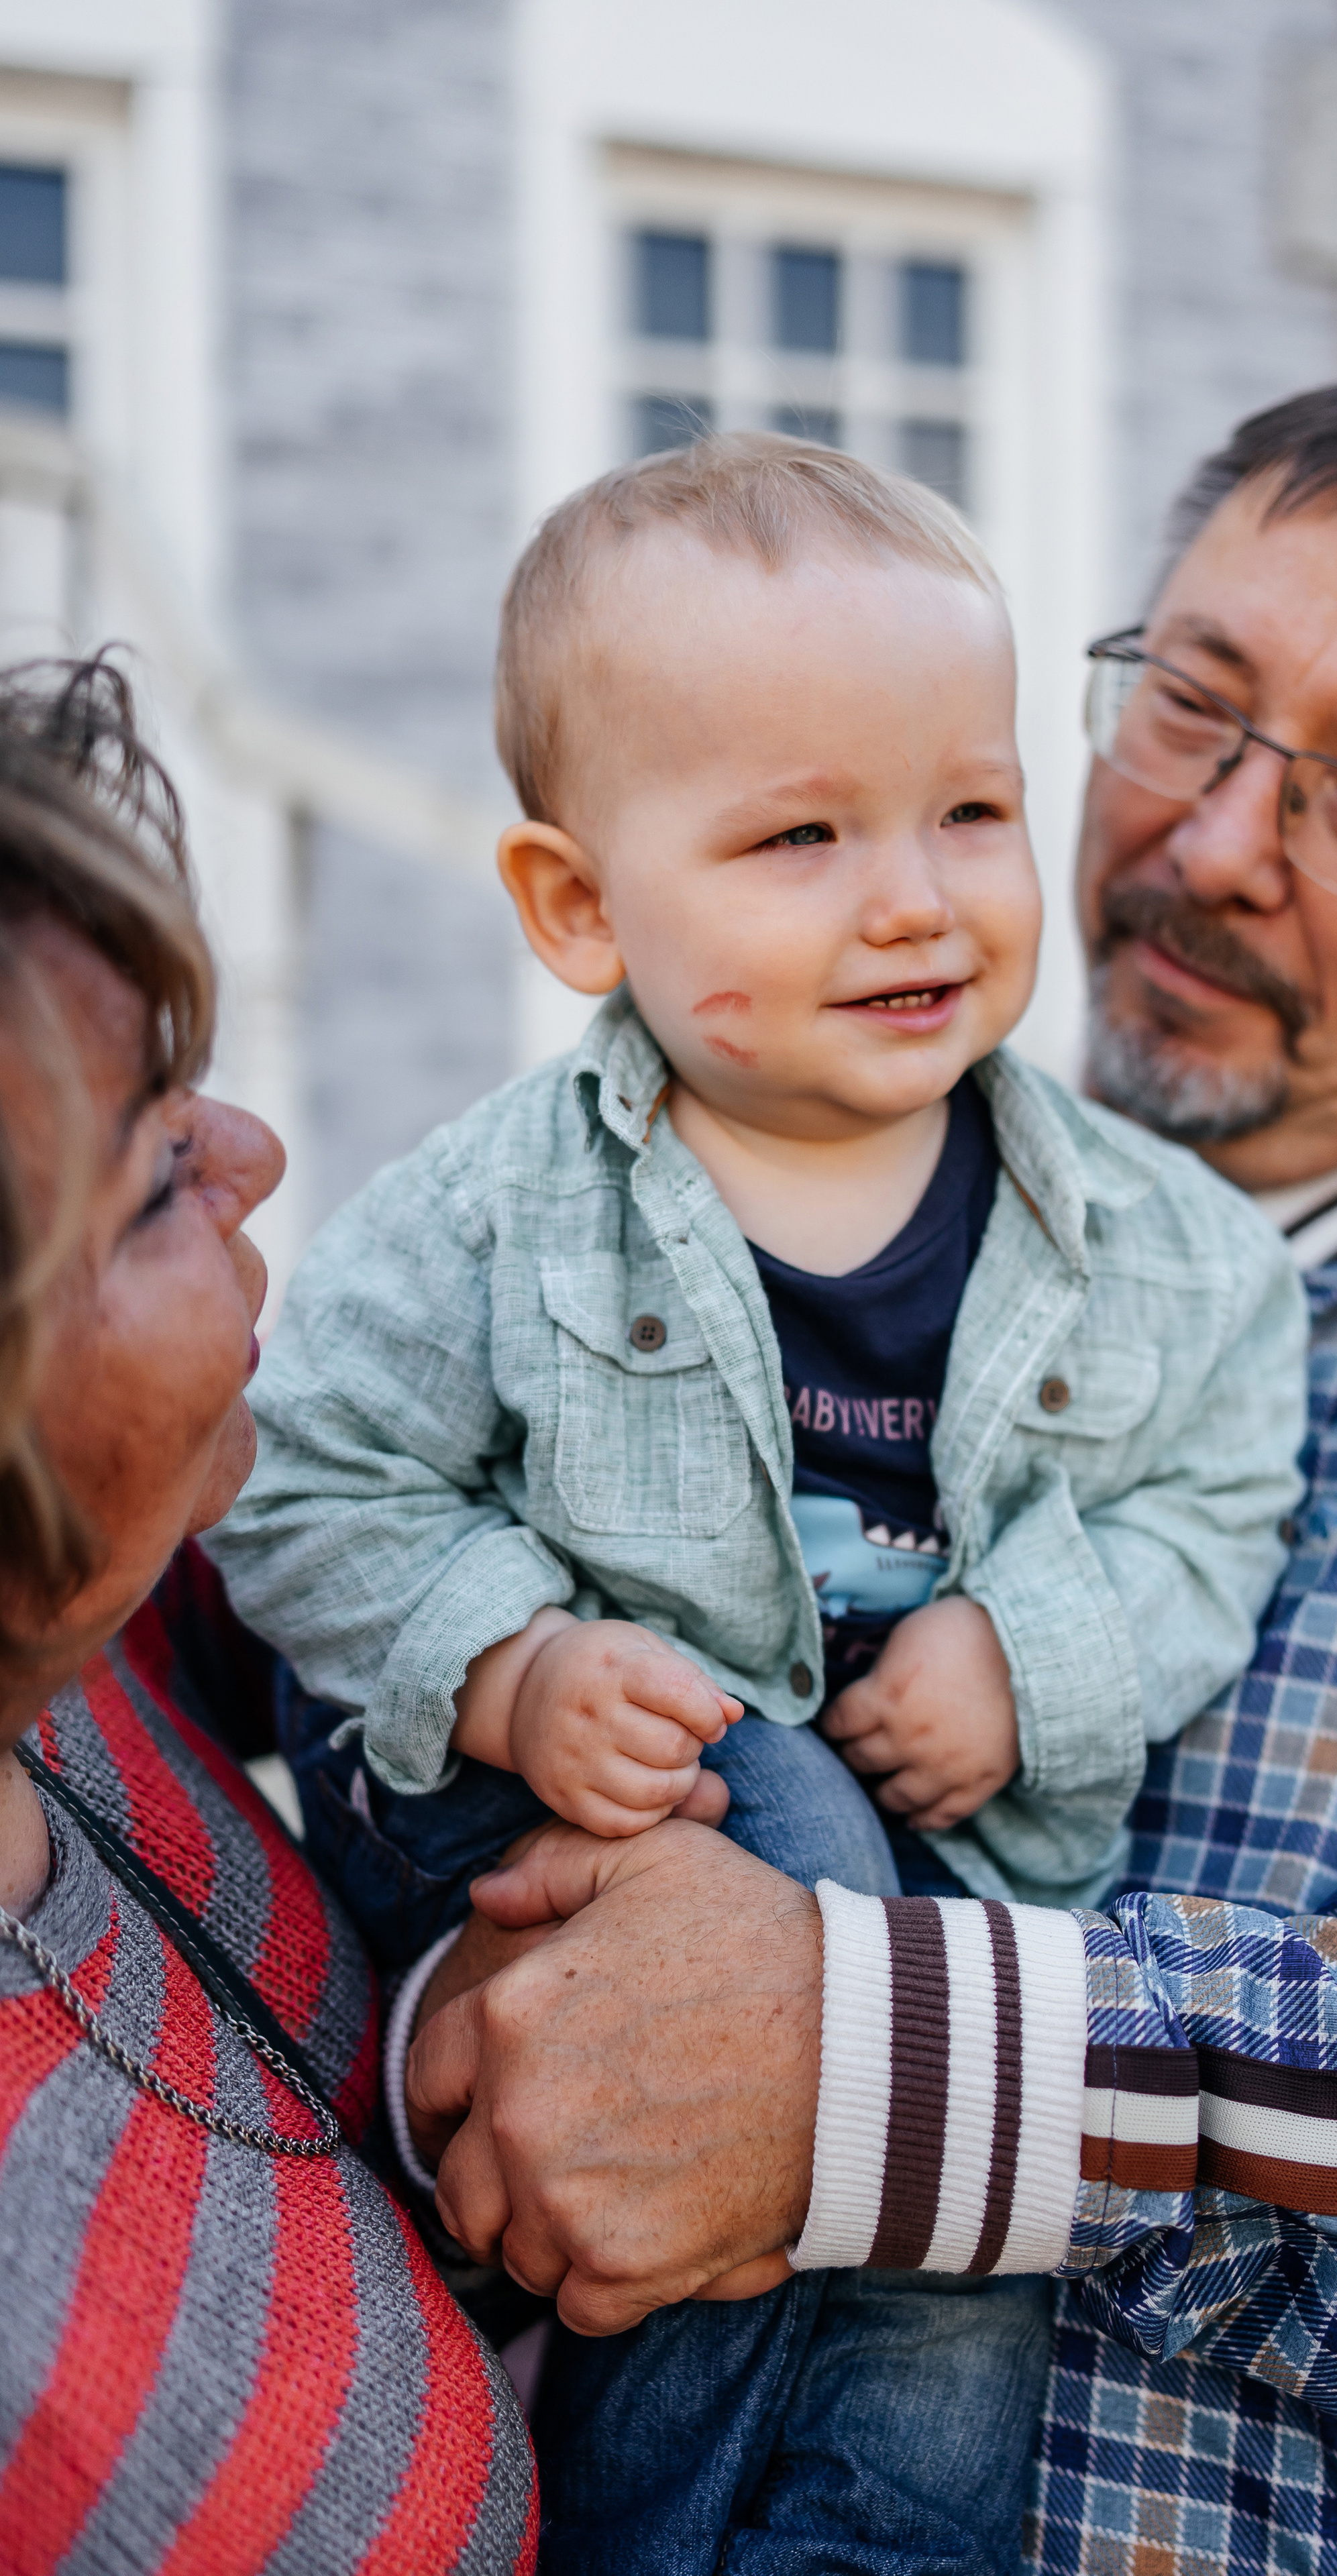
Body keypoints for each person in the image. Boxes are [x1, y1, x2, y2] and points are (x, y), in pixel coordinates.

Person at [405, 368, 1337, 2576]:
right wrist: (489, 2008)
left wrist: (864, 2066)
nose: (1206, 846)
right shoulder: (732, 1149)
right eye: (1187, 709)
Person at [205, 431, 1306, 2573]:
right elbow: (302, 1481)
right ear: (579, 907)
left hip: (961, 1871)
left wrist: (1036, 1653)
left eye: (970, 811)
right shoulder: (490, 1219)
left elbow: (1217, 1506)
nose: (913, 895)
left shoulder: (1171, 1254)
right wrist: (511, 1663)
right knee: (777, 1827)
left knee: (975, 2219)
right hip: (557, 1791)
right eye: (799, 835)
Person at [0, 657, 538, 2569]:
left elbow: (374, 1525)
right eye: (155, 1181)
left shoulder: (91, 1638)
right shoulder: (59, 2434)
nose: (256, 1156)